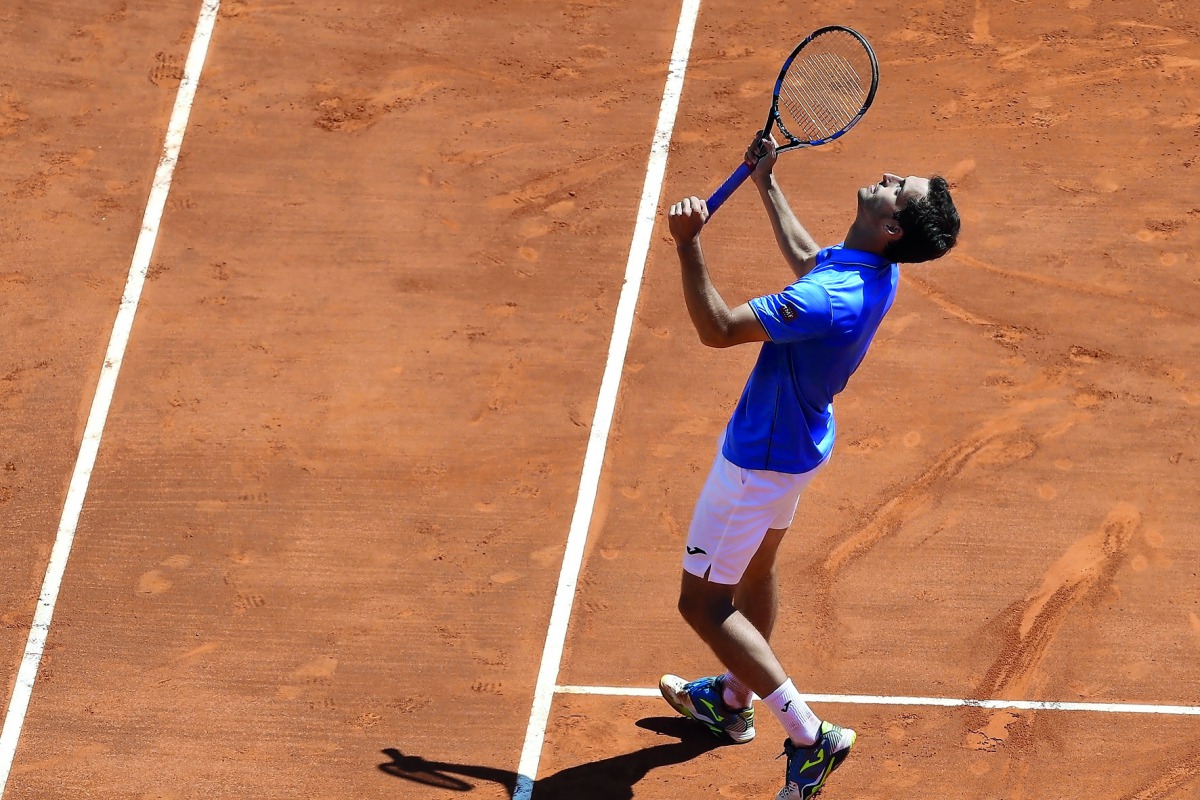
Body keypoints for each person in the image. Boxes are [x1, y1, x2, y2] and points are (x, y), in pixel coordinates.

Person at [659, 134, 960, 800]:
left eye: (895, 185)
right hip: (798, 448)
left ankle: (808, 734)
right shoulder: (875, 269)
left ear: (890, 225)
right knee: (757, 571)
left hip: (757, 461)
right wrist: (767, 183)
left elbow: (717, 328)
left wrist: (687, 243)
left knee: (703, 603)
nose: (886, 174)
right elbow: (809, 257)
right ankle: (733, 699)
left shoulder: (828, 298)